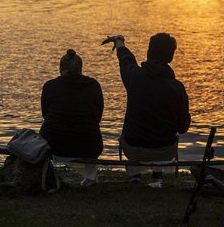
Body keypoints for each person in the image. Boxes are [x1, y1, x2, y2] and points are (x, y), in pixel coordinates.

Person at [103, 33, 190, 188]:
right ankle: (157, 177)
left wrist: (119, 42)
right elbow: (183, 128)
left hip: (133, 149)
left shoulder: (134, 77)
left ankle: (135, 175)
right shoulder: (177, 88)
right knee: (162, 131)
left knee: (132, 129)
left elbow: (126, 59)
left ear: (148, 52)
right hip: (165, 151)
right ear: (171, 57)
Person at [39, 49, 104, 187]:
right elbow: (98, 116)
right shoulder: (93, 85)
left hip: (54, 144)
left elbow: (45, 114)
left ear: (60, 69)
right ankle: (91, 178)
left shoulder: (50, 86)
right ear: (81, 69)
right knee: (89, 131)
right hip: (89, 146)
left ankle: (46, 176)